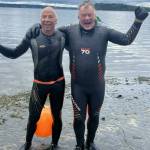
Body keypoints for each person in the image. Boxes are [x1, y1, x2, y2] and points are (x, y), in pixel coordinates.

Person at [31, 1, 149, 150]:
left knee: (94, 117)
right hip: (78, 87)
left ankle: (90, 143)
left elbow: (126, 40)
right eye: (83, 15)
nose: (87, 18)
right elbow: (49, 30)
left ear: (95, 15)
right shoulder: (70, 30)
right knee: (79, 119)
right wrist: (37, 27)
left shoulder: (104, 31)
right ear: (78, 16)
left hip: (97, 87)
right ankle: (79, 145)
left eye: (90, 15)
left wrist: (138, 21)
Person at [0, 7, 65, 150]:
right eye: (44, 16)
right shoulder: (32, 36)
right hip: (39, 84)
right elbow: (14, 53)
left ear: (56, 20)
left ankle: (55, 144)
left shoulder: (63, 36)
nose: (47, 19)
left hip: (58, 84)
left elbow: (79, 45)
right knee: (33, 117)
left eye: (50, 17)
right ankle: (28, 143)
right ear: (40, 19)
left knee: (57, 117)